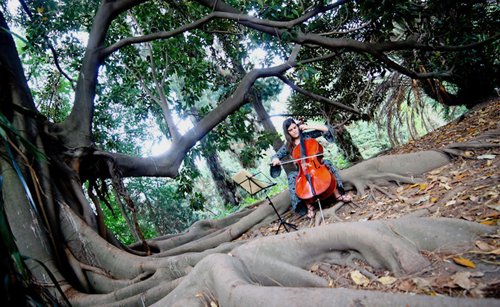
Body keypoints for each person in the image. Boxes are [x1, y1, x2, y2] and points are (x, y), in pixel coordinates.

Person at [270, 118, 351, 218]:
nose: (294, 131)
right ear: (287, 133)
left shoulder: (307, 135)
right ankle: (309, 206)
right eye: (290, 130)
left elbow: (326, 129)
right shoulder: (288, 145)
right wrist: (275, 159)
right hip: (302, 170)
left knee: (327, 164)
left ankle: (338, 195)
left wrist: (308, 127)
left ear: (297, 126)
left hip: (316, 165)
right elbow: (275, 156)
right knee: (292, 176)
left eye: (294, 127)